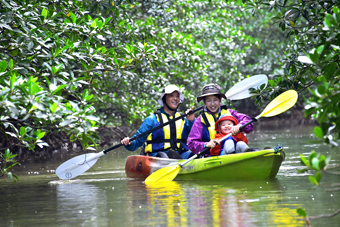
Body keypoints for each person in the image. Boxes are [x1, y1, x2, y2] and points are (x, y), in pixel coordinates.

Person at [121, 85, 195, 159]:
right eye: (171, 96)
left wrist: (192, 121)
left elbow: (198, 134)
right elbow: (136, 143)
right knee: (163, 155)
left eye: (177, 96)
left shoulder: (184, 119)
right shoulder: (151, 120)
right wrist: (129, 143)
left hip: (181, 156)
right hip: (158, 158)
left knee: (195, 153)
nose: (175, 98)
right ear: (164, 99)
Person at [188, 83, 253, 156]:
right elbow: (191, 144)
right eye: (209, 100)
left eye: (215, 100)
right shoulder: (200, 120)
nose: (212, 104)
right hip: (212, 155)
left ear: (220, 100)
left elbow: (248, 122)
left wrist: (239, 125)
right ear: (204, 102)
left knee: (245, 146)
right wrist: (206, 144)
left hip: (235, 149)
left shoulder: (230, 113)